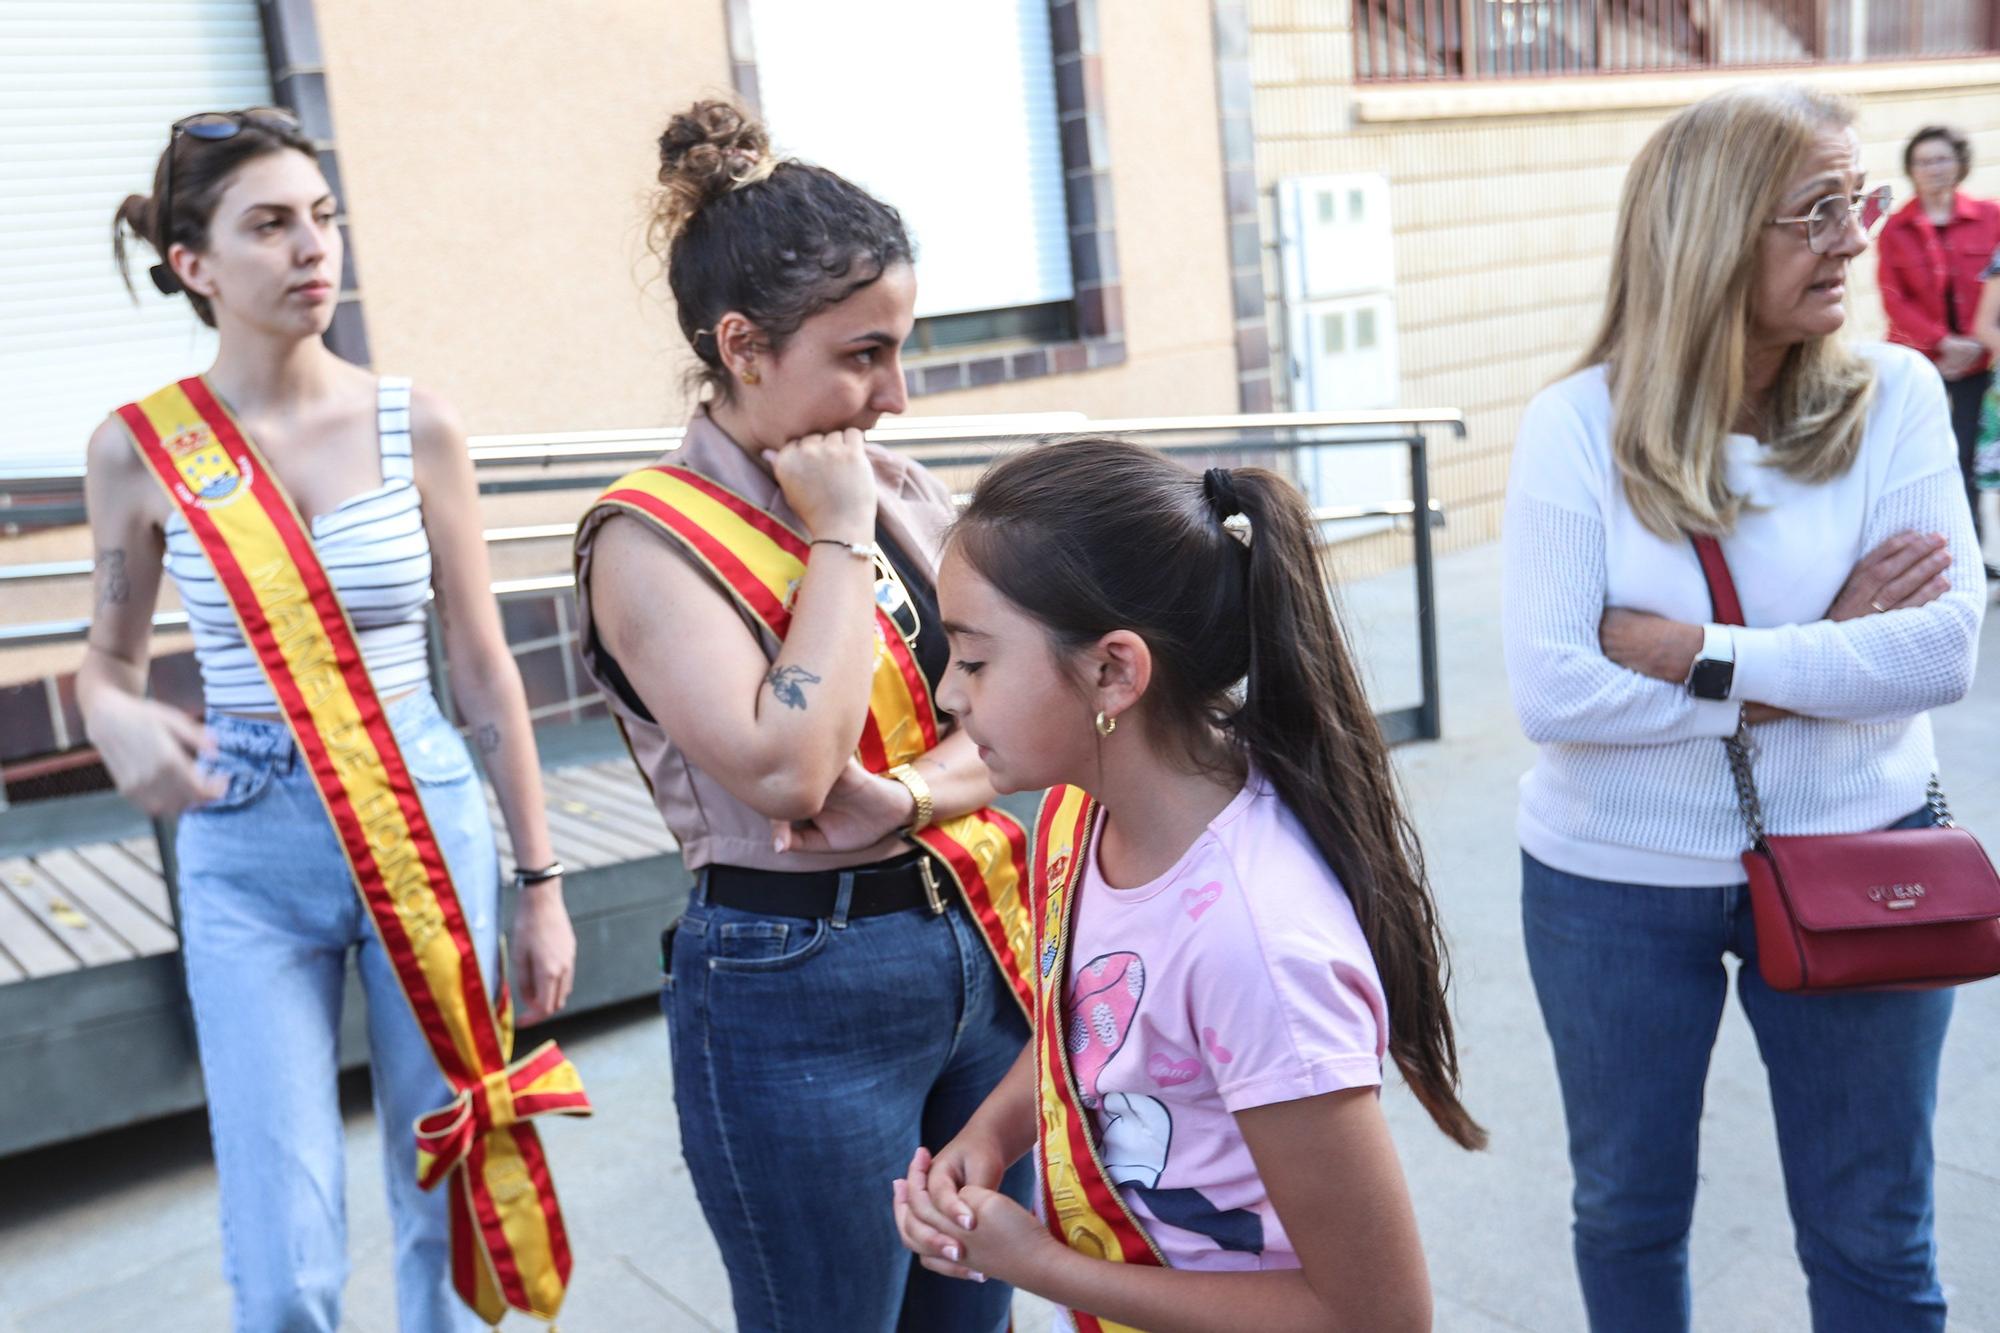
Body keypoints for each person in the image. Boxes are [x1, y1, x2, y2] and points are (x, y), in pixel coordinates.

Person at [84, 107, 577, 1331]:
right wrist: (115, 717)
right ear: (193, 267)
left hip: (423, 813)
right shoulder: (138, 451)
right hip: (244, 841)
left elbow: (480, 661)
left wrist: (541, 878)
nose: (313, 248)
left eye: (322, 217)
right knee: (285, 1248)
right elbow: (105, 663)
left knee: (444, 1192)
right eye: (270, 225)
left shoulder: (419, 425)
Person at [1504, 84, 1983, 1332]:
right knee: (1625, 1211)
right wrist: (1814, 653)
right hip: (1608, 880)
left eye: (1855, 200)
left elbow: (1938, 652)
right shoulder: (1574, 427)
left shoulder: (1895, 397)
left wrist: (1690, 655)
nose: (1852, 237)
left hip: (1860, 852)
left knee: (1874, 1235)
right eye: (1815, 210)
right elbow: (1553, 690)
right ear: (1709, 231)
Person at [571, 100, 1033, 1332]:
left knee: (971, 1313)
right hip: (794, 981)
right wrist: (833, 534)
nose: (894, 395)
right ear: (741, 345)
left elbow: (1015, 722)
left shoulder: (901, 486)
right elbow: (783, 770)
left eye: (900, 348)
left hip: (975, 953)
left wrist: (924, 791)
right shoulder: (646, 538)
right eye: (862, 354)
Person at [891, 438, 1484, 1331]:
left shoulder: (1256, 945)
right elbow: (1087, 1030)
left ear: (1114, 671)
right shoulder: (1075, 814)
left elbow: (1379, 1315)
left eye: (974, 660)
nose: (947, 694)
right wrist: (992, 1131)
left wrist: (1047, 1267)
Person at [1879, 123, 2000, 575]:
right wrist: (1942, 341)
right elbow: (1893, 296)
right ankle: (1930, 551)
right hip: (1921, 360)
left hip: (1980, 360)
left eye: (1942, 159)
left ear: (1961, 164)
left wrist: (1974, 341)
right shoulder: (1897, 228)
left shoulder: (1992, 217)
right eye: (1923, 161)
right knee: (1922, 460)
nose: (1933, 169)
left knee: (1969, 457)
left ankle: (1972, 554)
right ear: (1911, 169)